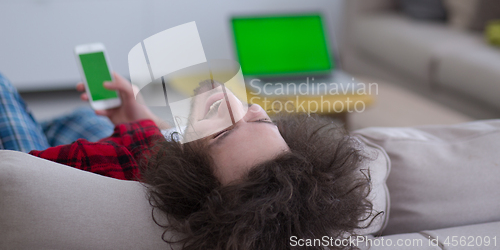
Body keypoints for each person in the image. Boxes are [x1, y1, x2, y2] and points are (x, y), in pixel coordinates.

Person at [0, 71, 383, 249]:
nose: (237, 104)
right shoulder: (177, 150)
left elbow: (22, 169)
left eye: (222, 132)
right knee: (82, 118)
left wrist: (138, 128)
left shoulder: (108, 164)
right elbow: (165, 140)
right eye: (259, 117)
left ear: (190, 177)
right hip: (131, 130)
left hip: (40, 152)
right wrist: (141, 117)